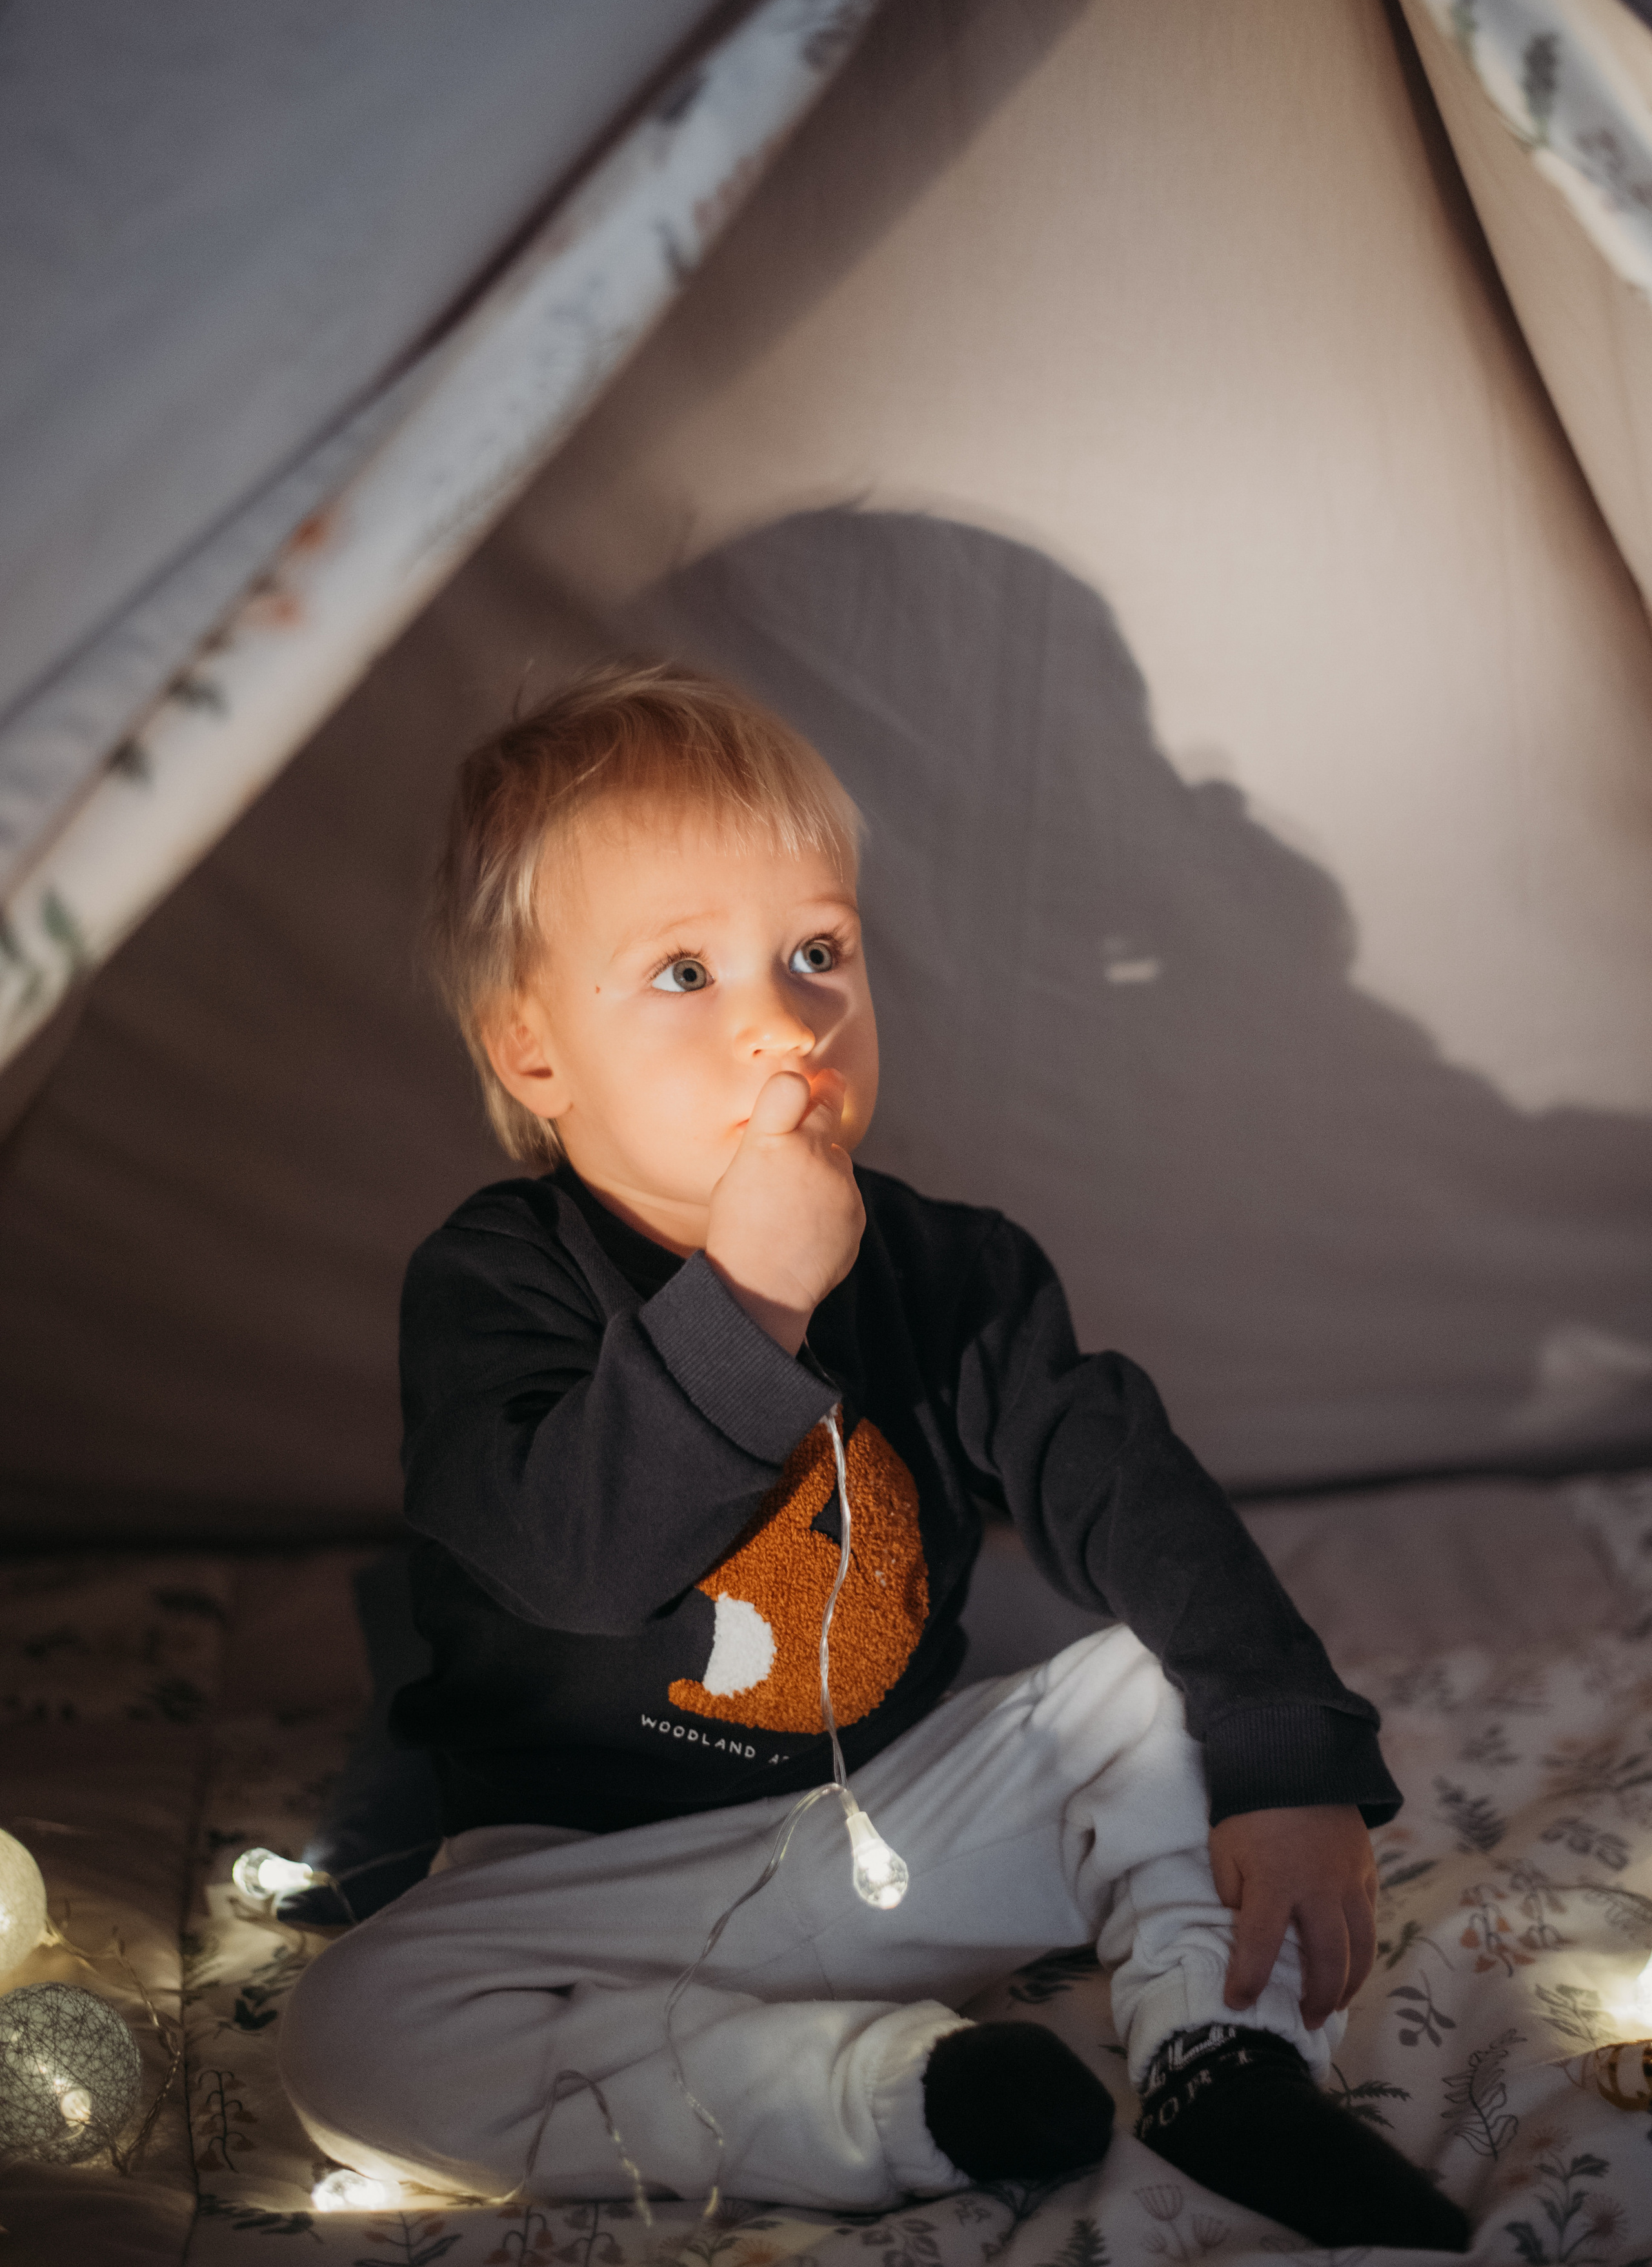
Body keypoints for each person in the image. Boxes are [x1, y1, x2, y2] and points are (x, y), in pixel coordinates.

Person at [280, 665, 1467, 2250]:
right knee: (353, 2034)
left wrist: (1288, 1759)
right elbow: (578, 1561)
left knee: (1151, 1680)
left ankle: (1221, 2054)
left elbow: (1121, 1487)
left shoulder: (944, 1266)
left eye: (816, 954)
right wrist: (750, 1299)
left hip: (894, 1835)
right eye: (685, 973)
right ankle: (901, 2100)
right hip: (588, 1892)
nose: (784, 1021)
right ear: (534, 1055)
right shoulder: (495, 1284)